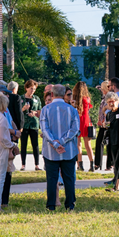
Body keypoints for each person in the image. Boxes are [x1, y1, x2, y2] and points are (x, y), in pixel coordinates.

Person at [39, 84, 79, 212]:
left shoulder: (45, 109)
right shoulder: (72, 110)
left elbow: (44, 129)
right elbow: (75, 129)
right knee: (69, 178)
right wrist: (62, 141)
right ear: (64, 95)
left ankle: (51, 205)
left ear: (51, 94)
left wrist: (55, 143)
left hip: (51, 150)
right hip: (68, 149)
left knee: (51, 178)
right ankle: (70, 204)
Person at [0, 83, 23, 206]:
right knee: (0, 173)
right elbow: (0, 129)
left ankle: (4, 200)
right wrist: (14, 132)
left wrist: (16, 130)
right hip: (2, 144)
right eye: (5, 94)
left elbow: (11, 120)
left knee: (8, 172)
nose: (8, 96)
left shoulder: (5, 108)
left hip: (9, 141)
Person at [19, 79, 42, 170]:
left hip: (33, 124)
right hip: (24, 124)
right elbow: (17, 111)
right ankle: (23, 164)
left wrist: (35, 112)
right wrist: (23, 109)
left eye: (34, 89)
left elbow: (40, 110)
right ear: (26, 88)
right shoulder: (21, 98)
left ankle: (37, 164)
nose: (33, 91)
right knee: (23, 144)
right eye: (31, 88)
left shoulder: (36, 99)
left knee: (35, 144)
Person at [73, 82, 95, 172]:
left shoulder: (74, 99)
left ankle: (80, 165)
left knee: (78, 144)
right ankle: (92, 164)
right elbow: (89, 109)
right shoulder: (87, 99)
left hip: (78, 121)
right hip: (86, 122)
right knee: (88, 145)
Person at [93, 81, 113, 172]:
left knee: (105, 143)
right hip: (102, 123)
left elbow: (109, 110)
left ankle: (107, 164)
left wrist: (104, 120)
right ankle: (98, 163)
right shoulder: (104, 98)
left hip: (106, 123)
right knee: (100, 142)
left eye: (101, 88)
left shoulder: (108, 98)